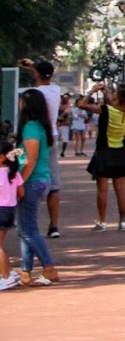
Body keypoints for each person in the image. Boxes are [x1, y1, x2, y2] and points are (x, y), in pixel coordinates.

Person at [78, 81, 125, 231]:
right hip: (120, 152)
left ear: (120, 96)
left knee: (102, 190)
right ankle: (123, 221)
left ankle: (102, 221)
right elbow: (114, 107)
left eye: (115, 92)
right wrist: (105, 93)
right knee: (120, 189)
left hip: (104, 151)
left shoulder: (105, 110)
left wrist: (91, 91)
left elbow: (82, 105)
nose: (113, 94)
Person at [15, 88, 58, 285]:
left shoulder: (31, 127)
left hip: (32, 181)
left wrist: (18, 182)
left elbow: (31, 159)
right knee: (25, 228)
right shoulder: (40, 126)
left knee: (28, 229)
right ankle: (26, 271)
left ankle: (49, 268)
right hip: (39, 179)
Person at [19, 59, 63, 239]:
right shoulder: (56, 90)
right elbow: (43, 77)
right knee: (53, 183)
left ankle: (28, 223)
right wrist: (34, 67)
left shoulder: (34, 94)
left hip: (36, 136)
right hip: (52, 135)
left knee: (30, 177)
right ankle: (54, 225)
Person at [0, 138, 22, 290]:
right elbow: (21, 192)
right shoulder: (13, 173)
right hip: (10, 209)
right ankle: (9, 272)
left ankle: (6, 277)